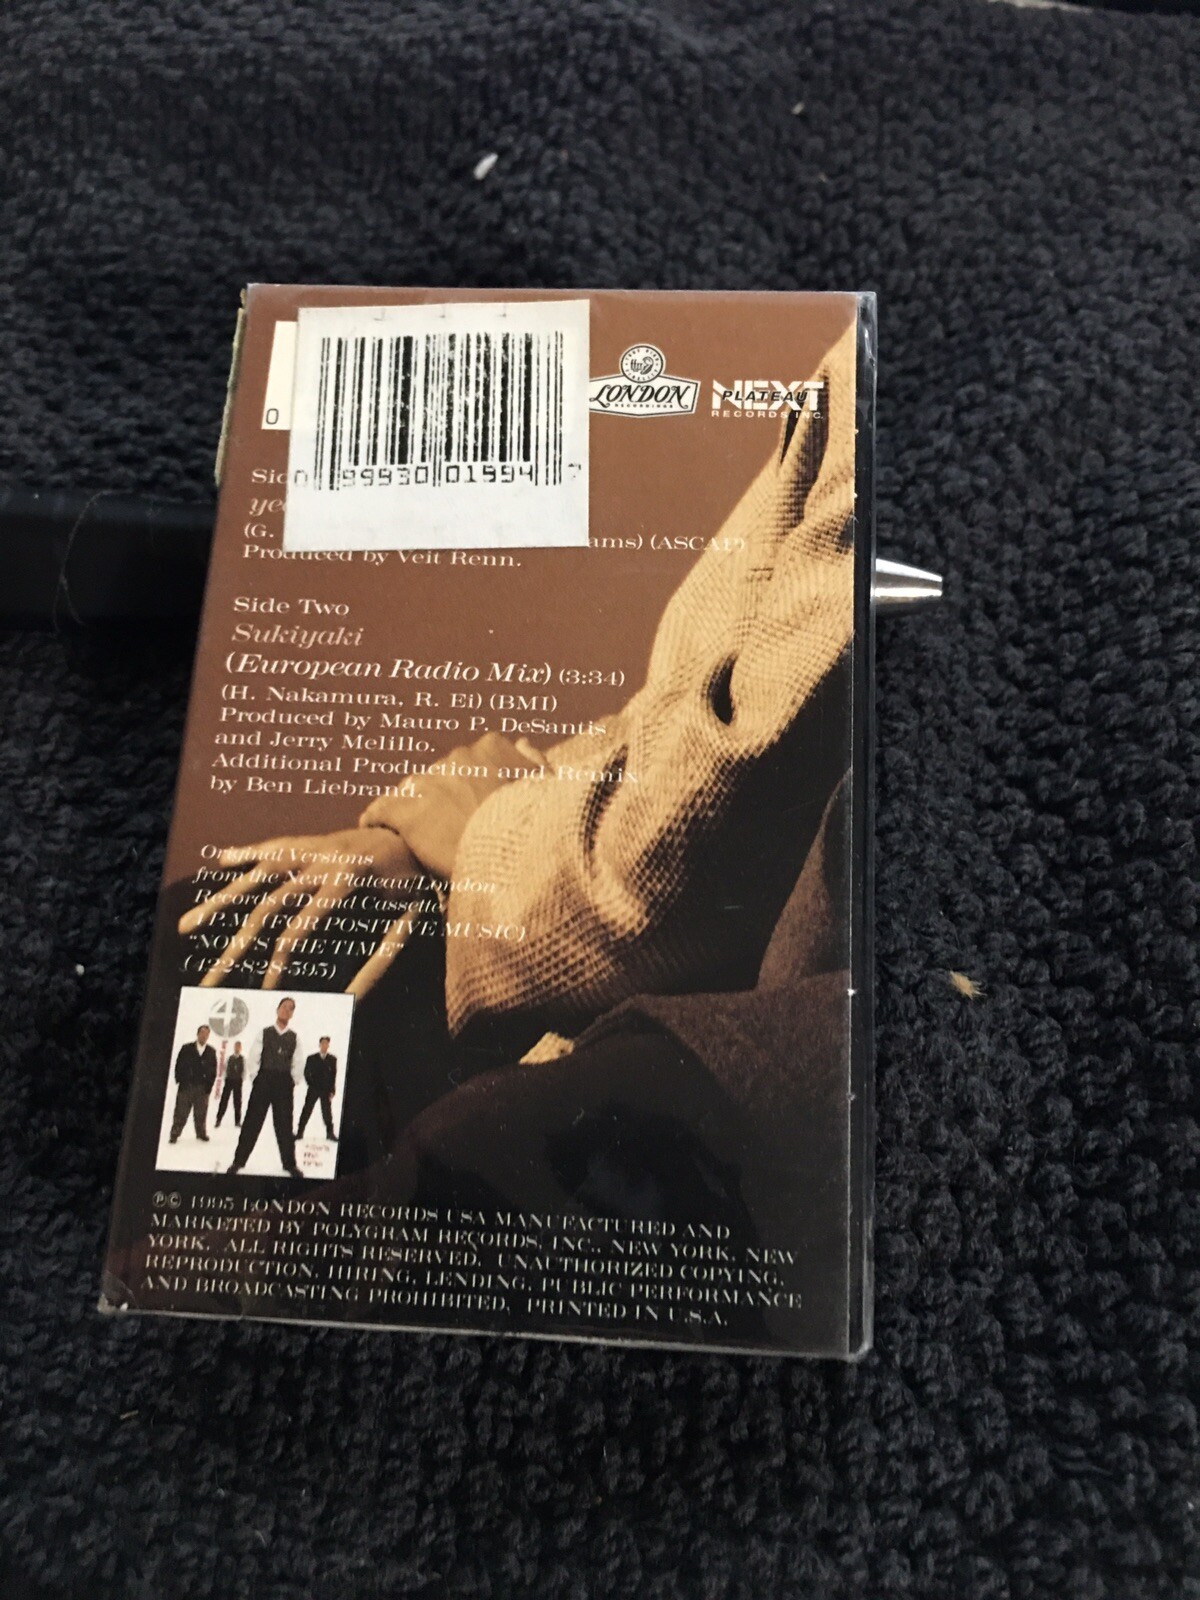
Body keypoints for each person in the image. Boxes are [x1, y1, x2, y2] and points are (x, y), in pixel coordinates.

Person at [228, 998, 303, 1176]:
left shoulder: (294, 1037)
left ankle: (289, 1164)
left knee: (284, 1125)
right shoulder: (264, 1033)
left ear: (292, 1014)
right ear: (277, 1010)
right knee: (252, 1122)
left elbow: (298, 1062)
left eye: (290, 1009)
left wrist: (292, 1081)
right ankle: (238, 1162)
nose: (286, 1010)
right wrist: (257, 1078)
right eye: (284, 1007)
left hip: (284, 1083)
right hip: (264, 1080)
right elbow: (253, 1057)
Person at [168, 1024, 217, 1143]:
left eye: (206, 1034)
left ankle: (201, 1133)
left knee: (201, 1113)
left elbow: (213, 1070)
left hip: (202, 1088)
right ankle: (174, 1134)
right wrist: (180, 1080)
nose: (204, 1036)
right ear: (198, 1034)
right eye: (202, 1033)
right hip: (186, 1086)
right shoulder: (186, 1048)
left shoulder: (211, 1051)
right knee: (181, 1112)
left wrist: (208, 1086)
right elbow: (178, 1064)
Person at [296, 1036, 338, 1141]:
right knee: (307, 1110)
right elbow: (306, 1073)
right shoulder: (311, 1058)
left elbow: (333, 1076)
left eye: (326, 1043)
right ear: (320, 1045)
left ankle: (330, 1134)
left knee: (327, 1112)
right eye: (322, 1043)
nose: (324, 1045)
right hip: (313, 1089)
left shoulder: (332, 1059)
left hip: (325, 1090)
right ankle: (299, 1133)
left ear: (328, 1045)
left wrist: (332, 1090)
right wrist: (311, 1084)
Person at [214, 1040, 245, 1128]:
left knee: (237, 1102)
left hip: (238, 1082)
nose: (237, 1048)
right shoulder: (229, 1058)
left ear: (240, 1048)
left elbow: (244, 1071)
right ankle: (218, 1120)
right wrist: (226, 1078)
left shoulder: (243, 1059)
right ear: (234, 1047)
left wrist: (241, 1079)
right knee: (224, 1100)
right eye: (236, 1046)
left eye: (239, 1047)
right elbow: (225, 1068)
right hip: (229, 1081)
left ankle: (237, 1121)